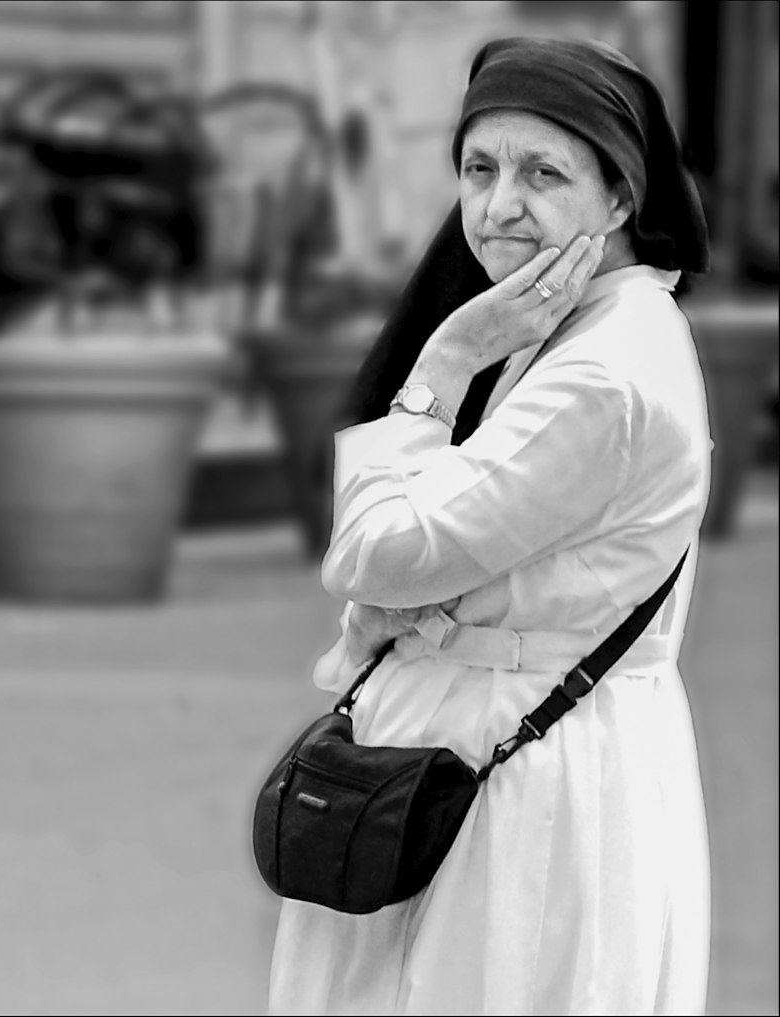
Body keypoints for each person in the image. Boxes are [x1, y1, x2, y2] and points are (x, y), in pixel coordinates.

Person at [268, 36, 713, 1017]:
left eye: (542, 173)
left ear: (621, 198)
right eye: (479, 168)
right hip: (493, 755)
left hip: (519, 785)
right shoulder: (577, 329)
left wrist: (443, 362)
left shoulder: (598, 375)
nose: (499, 205)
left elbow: (373, 554)